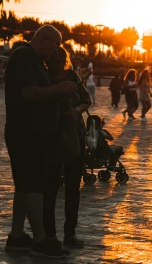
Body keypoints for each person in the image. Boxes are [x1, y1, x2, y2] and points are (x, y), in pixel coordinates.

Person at [3, 25, 75, 258]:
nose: (56, 52)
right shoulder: (24, 57)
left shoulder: (34, 60)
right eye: (55, 45)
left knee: (24, 186)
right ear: (44, 39)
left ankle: (17, 236)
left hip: (29, 132)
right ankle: (40, 239)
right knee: (35, 186)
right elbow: (28, 93)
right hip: (27, 133)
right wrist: (58, 89)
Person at [44, 46, 90, 248]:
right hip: (52, 136)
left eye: (62, 60)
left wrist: (76, 110)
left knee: (73, 187)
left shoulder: (72, 75)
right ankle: (49, 234)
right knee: (51, 187)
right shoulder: (44, 78)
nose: (59, 63)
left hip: (76, 135)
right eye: (55, 60)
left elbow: (86, 100)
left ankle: (70, 233)